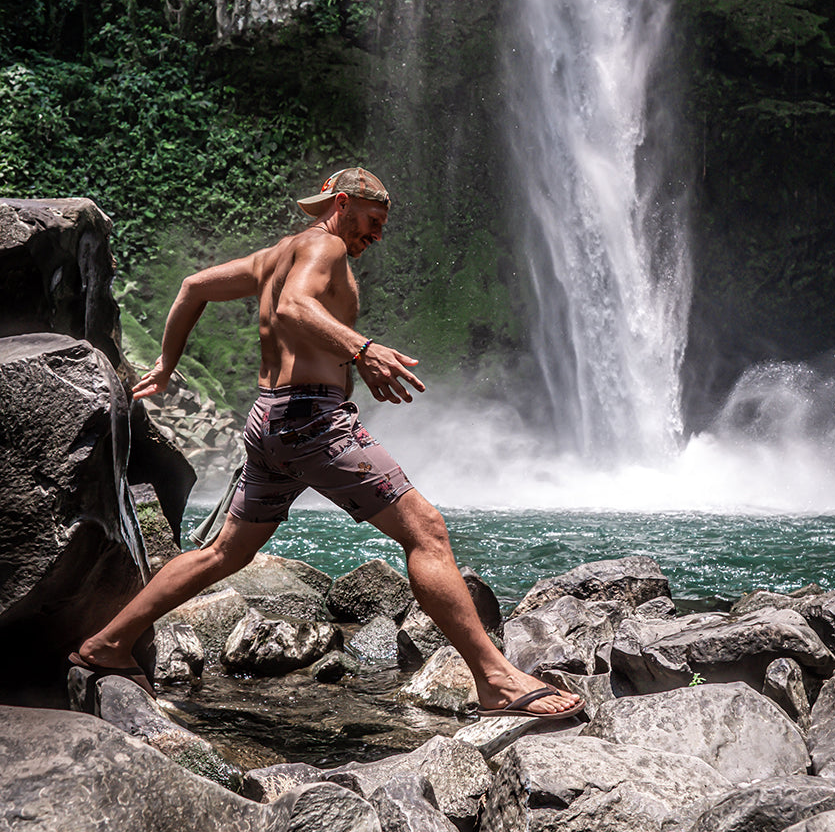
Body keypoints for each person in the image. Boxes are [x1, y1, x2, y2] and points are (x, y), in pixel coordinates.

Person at [71, 167, 582, 720]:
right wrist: (362, 349)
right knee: (426, 530)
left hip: (271, 421)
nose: (376, 236)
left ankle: (108, 644)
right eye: (373, 221)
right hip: (314, 422)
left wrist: (167, 363)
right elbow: (294, 306)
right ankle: (497, 680)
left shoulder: (276, 254)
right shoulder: (323, 246)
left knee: (225, 551)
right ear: (342, 202)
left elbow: (194, 287)